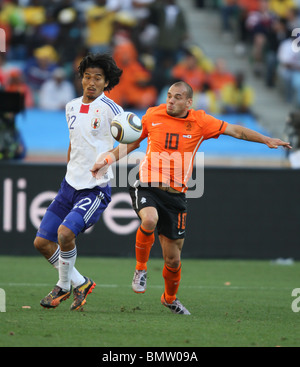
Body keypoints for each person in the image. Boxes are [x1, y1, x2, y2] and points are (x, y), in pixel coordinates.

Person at [91, 81, 291, 315]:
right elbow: (132, 144)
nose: (171, 100)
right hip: (146, 185)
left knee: (173, 260)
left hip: (176, 197)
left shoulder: (201, 121)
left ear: (188, 102)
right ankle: (140, 269)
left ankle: (169, 298)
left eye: (177, 97)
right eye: (168, 95)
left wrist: (266, 139)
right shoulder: (152, 114)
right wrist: (105, 161)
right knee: (149, 220)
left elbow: (236, 130)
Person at [33, 53, 123, 310]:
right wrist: (70, 168)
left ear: (106, 83)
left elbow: (132, 142)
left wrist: (107, 160)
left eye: (98, 78)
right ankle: (81, 283)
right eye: (87, 77)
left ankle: (62, 286)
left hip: (94, 189)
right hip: (69, 186)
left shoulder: (112, 109)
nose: (91, 82)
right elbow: (74, 142)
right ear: (81, 79)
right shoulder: (70, 106)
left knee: (64, 234)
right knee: (41, 242)